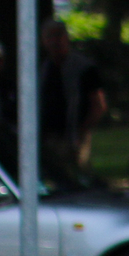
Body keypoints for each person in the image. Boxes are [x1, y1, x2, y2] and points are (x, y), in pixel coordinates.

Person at [38, 21, 109, 183]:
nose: (54, 41)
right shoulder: (44, 69)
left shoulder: (84, 68)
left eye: (59, 36)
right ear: (43, 41)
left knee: (79, 178)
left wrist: (82, 133)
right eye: (49, 37)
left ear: (66, 38)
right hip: (49, 138)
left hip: (76, 136)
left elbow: (98, 105)